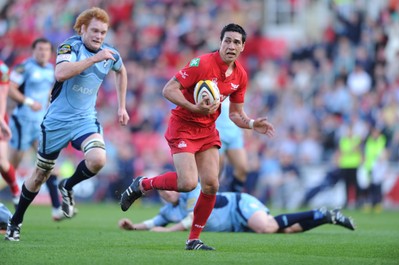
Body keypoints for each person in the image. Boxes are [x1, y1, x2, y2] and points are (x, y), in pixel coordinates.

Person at [119, 23, 275, 251]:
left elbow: (235, 114)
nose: (231, 45)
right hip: (183, 126)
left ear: (243, 47)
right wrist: (194, 107)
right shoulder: (201, 64)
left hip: (207, 130)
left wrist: (251, 123)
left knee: (211, 185)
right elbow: (168, 89)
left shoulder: (240, 75)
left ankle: (193, 239)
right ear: (220, 42)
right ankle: (143, 184)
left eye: (236, 42)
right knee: (188, 183)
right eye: (227, 40)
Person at [5, 7, 130, 241]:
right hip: (56, 122)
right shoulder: (69, 47)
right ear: (82, 29)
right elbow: (61, 73)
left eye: (103, 32)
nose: (99, 36)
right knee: (41, 174)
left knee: (98, 160)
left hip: (85, 120)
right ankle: (16, 220)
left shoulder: (110, 53)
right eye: (94, 30)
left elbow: (121, 71)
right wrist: (95, 58)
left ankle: (68, 186)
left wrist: (121, 106)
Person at [118, 184, 356, 233]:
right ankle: (327, 217)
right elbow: (154, 223)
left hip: (238, 205)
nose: (168, 192)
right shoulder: (168, 211)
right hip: (236, 224)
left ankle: (320, 212)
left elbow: (191, 219)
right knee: (287, 230)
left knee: (267, 227)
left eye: (170, 189)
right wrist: (133, 227)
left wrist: (168, 232)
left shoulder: (190, 192)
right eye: (163, 192)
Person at [7, 38, 66, 221]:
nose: (43, 53)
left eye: (46, 50)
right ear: (33, 50)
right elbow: (9, 88)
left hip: (41, 124)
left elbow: (49, 92)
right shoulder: (23, 68)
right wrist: (28, 101)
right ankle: (15, 196)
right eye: (40, 49)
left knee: (48, 164)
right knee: (9, 166)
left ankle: (56, 208)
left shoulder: (51, 70)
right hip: (22, 122)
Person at [216, 98, 248, 192]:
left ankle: (234, 198)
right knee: (216, 172)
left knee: (242, 168)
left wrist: (246, 123)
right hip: (217, 132)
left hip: (234, 132)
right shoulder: (213, 84)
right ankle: (212, 201)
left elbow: (238, 107)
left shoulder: (236, 85)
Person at [0, 60, 19, 208]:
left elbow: (3, 95)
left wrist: (1, 120)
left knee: (2, 161)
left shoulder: (2, 68)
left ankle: (15, 189)